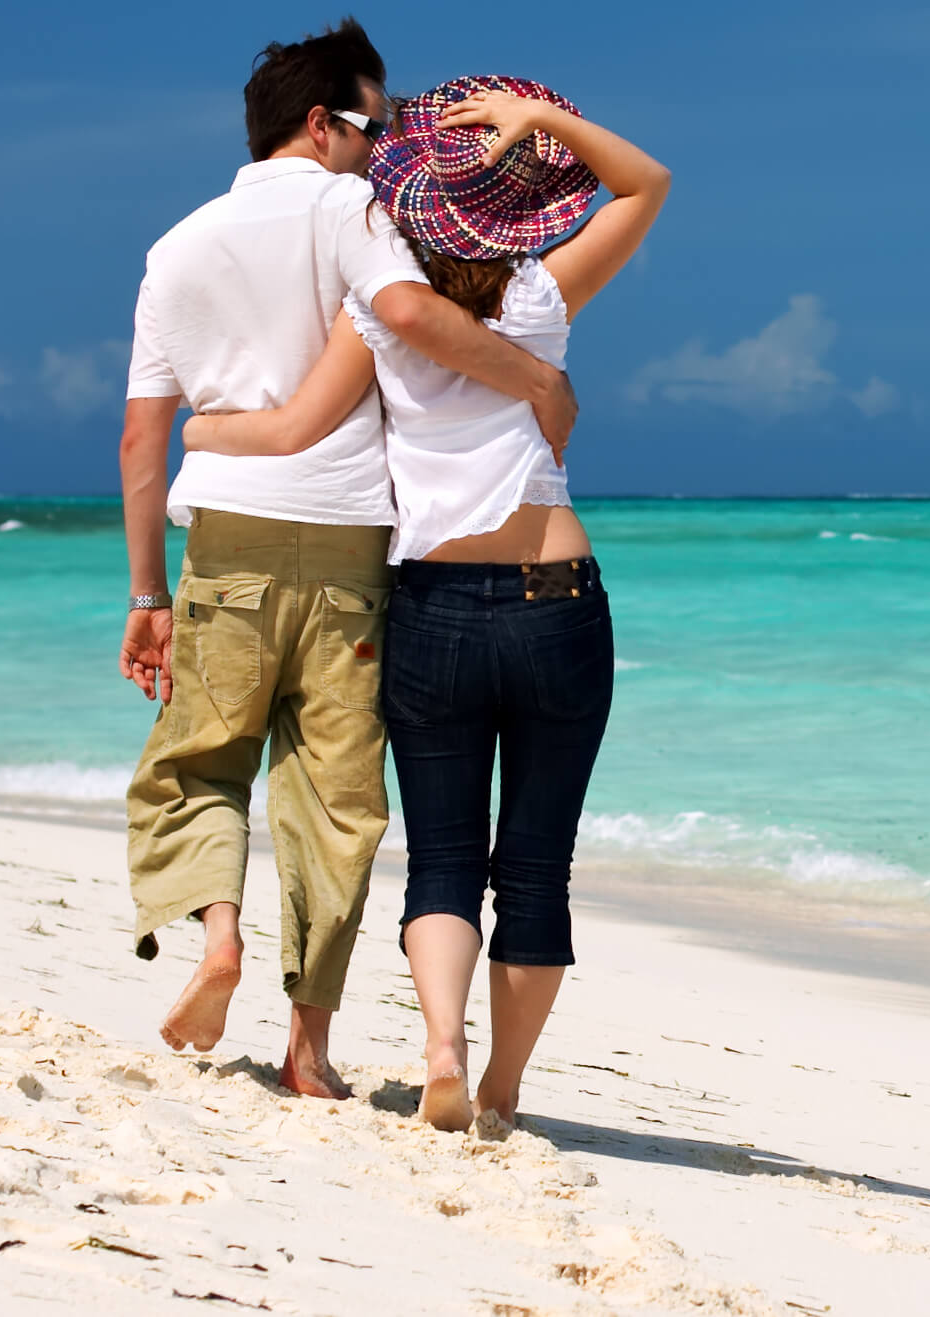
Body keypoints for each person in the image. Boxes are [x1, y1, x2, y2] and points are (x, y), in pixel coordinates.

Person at [184, 76, 668, 1131]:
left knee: (444, 854)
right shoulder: (541, 294)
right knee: (536, 866)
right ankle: (497, 1090)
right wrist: (538, 123)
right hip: (556, 597)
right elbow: (646, 184)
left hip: (434, 606)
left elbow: (292, 429)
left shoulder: (383, 312)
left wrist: (200, 433)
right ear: (527, 205)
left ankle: (440, 1046)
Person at [120, 21, 581, 1099]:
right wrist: (534, 380)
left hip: (224, 535)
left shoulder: (177, 246)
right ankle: (309, 1048)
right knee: (335, 798)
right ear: (322, 124)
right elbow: (409, 311)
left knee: (198, 764)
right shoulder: (357, 210)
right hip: (349, 544)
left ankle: (220, 939)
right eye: (375, 127)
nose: (385, 154)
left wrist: (146, 592)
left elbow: (146, 438)